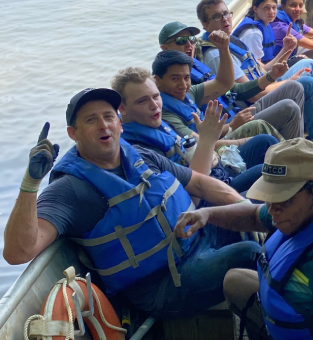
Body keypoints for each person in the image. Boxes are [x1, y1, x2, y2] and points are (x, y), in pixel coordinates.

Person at [3, 89, 261, 316]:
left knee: (265, 208)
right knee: (250, 253)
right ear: (73, 133)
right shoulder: (71, 189)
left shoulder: (140, 155)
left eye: (108, 116)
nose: (103, 125)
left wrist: (248, 209)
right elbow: (18, 252)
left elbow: (200, 183)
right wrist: (30, 183)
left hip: (199, 241)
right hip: (163, 284)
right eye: (91, 120)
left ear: (120, 123)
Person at [173, 139, 313, 340]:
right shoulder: (308, 209)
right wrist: (208, 214)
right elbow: (254, 215)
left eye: (284, 199)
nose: (272, 209)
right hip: (302, 311)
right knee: (235, 282)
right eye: (270, 197)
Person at [196, 0, 313, 155]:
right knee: (306, 83)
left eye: (226, 13)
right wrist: (288, 81)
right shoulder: (217, 54)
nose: (225, 19)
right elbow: (252, 96)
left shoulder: (231, 41)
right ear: (205, 24)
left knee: (308, 65)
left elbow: (261, 70)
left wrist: (285, 51)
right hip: (251, 105)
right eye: (217, 16)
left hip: (263, 85)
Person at [112, 67, 278, 194]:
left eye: (156, 97)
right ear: (122, 108)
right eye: (142, 101)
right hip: (209, 194)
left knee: (265, 141)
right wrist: (207, 144)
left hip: (217, 170)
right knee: (267, 172)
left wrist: (210, 153)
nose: (154, 105)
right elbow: (192, 189)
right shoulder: (139, 149)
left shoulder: (154, 123)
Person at [232, 0, 313, 123]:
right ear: (255, 9)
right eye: (266, 8)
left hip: (269, 71)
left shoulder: (268, 24)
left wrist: (288, 49)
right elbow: (261, 71)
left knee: (308, 60)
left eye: (273, 8)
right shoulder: (255, 33)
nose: (271, 12)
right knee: (309, 64)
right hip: (263, 82)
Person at [153, 49, 306, 144]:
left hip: (228, 124)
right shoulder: (163, 111)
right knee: (288, 108)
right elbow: (199, 143)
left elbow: (224, 83)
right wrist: (232, 126)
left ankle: (296, 151)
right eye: (174, 79)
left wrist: (223, 47)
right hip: (219, 143)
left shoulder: (189, 92)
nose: (182, 85)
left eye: (186, 78)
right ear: (157, 81)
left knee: (294, 86)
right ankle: (294, 159)